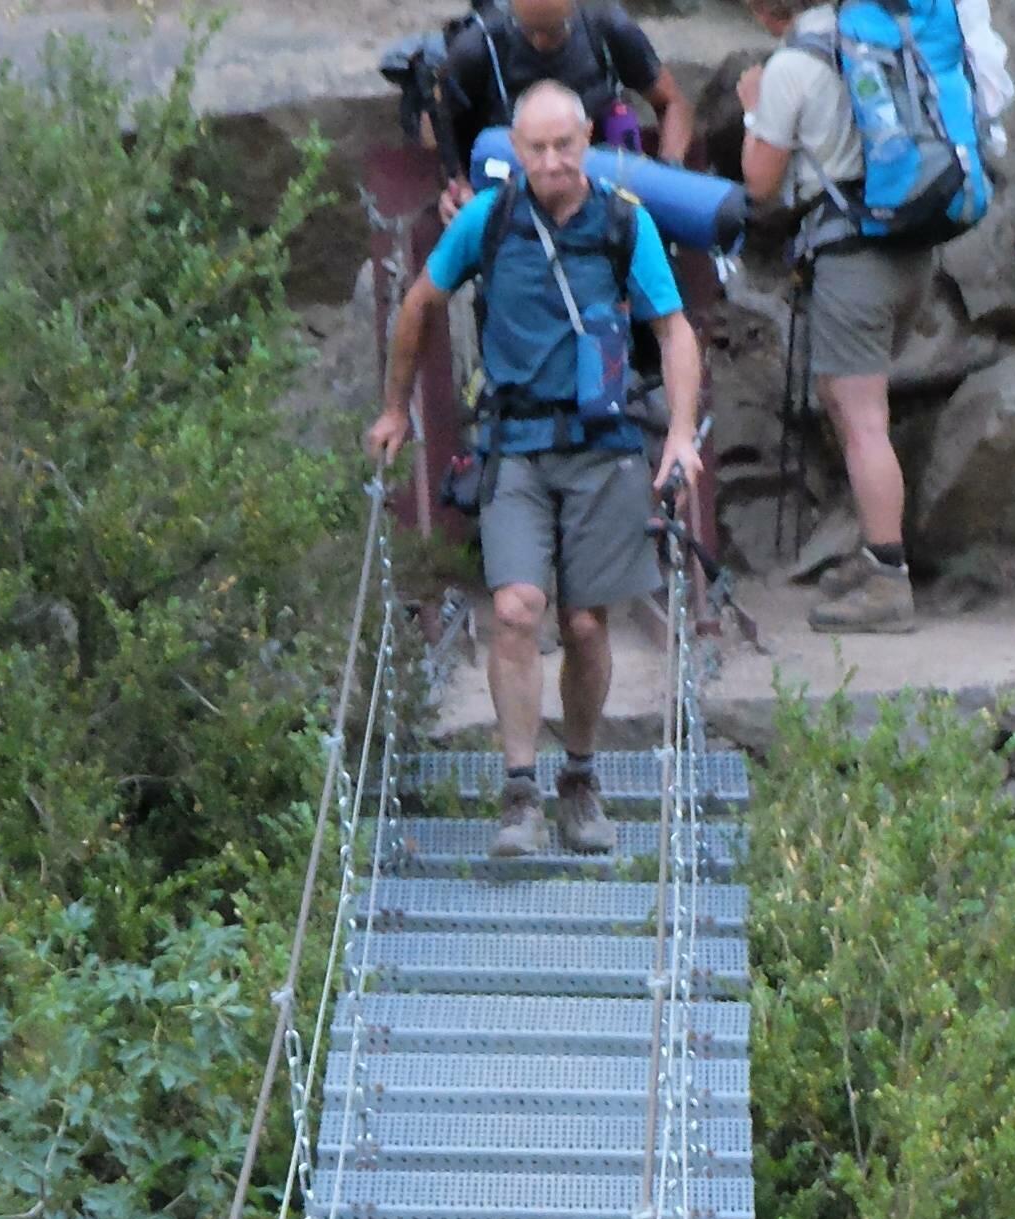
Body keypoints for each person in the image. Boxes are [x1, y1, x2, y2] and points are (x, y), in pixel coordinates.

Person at [366, 79, 706, 864]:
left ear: (588, 142)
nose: (552, 161)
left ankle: (579, 779)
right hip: (515, 447)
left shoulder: (625, 221)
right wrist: (393, 410)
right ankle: (519, 792)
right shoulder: (488, 220)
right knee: (517, 611)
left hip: (602, 446)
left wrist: (681, 434)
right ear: (515, 151)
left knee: (585, 624)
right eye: (537, 148)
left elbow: (674, 330)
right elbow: (419, 304)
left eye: (565, 145)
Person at [735, 0, 928, 637]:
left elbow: (760, 181)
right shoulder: (884, 38)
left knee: (864, 419)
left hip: (853, 256)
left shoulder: (792, 65)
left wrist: (754, 108)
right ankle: (874, 555)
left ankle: (889, 582)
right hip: (912, 248)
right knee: (843, 401)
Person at [426, 0, 698, 187]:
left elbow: (672, 102)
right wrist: (456, 185)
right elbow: (438, 120)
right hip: (514, 180)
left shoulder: (607, 27)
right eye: (529, 32)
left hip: (600, 172)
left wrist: (669, 170)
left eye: (553, 31)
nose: (540, 42)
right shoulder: (478, 46)